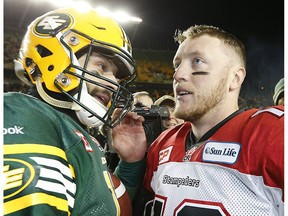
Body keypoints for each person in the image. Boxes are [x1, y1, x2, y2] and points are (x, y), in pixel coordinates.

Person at [127, 25, 284, 215]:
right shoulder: (163, 143)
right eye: (177, 64)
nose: (177, 75)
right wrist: (131, 163)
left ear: (234, 78)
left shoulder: (272, 133)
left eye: (197, 61)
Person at [4, 7, 147, 215]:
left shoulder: (66, 125)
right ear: (56, 57)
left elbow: (98, 204)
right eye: (102, 66)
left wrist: (130, 164)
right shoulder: (24, 115)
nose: (115, 84)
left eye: (116, 75)